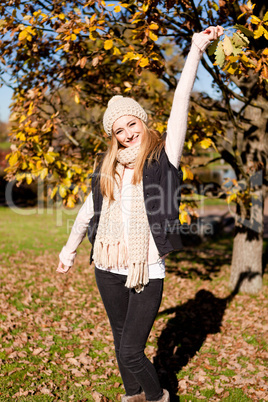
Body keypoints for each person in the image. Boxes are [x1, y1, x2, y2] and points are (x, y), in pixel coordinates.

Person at [57, 26, 224, 402]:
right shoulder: (109, 171)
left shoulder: (163, 160)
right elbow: (86, 214)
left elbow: (180, 105)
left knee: (132, 350)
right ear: (113, 137)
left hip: (146, 269)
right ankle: (132, 395)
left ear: (142, 121)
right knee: (120, 340)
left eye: (131, 123)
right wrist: (68, 251)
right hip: (106, 266)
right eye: (119, 131)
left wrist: (195, 49)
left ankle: (157, 397)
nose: (127, 134)